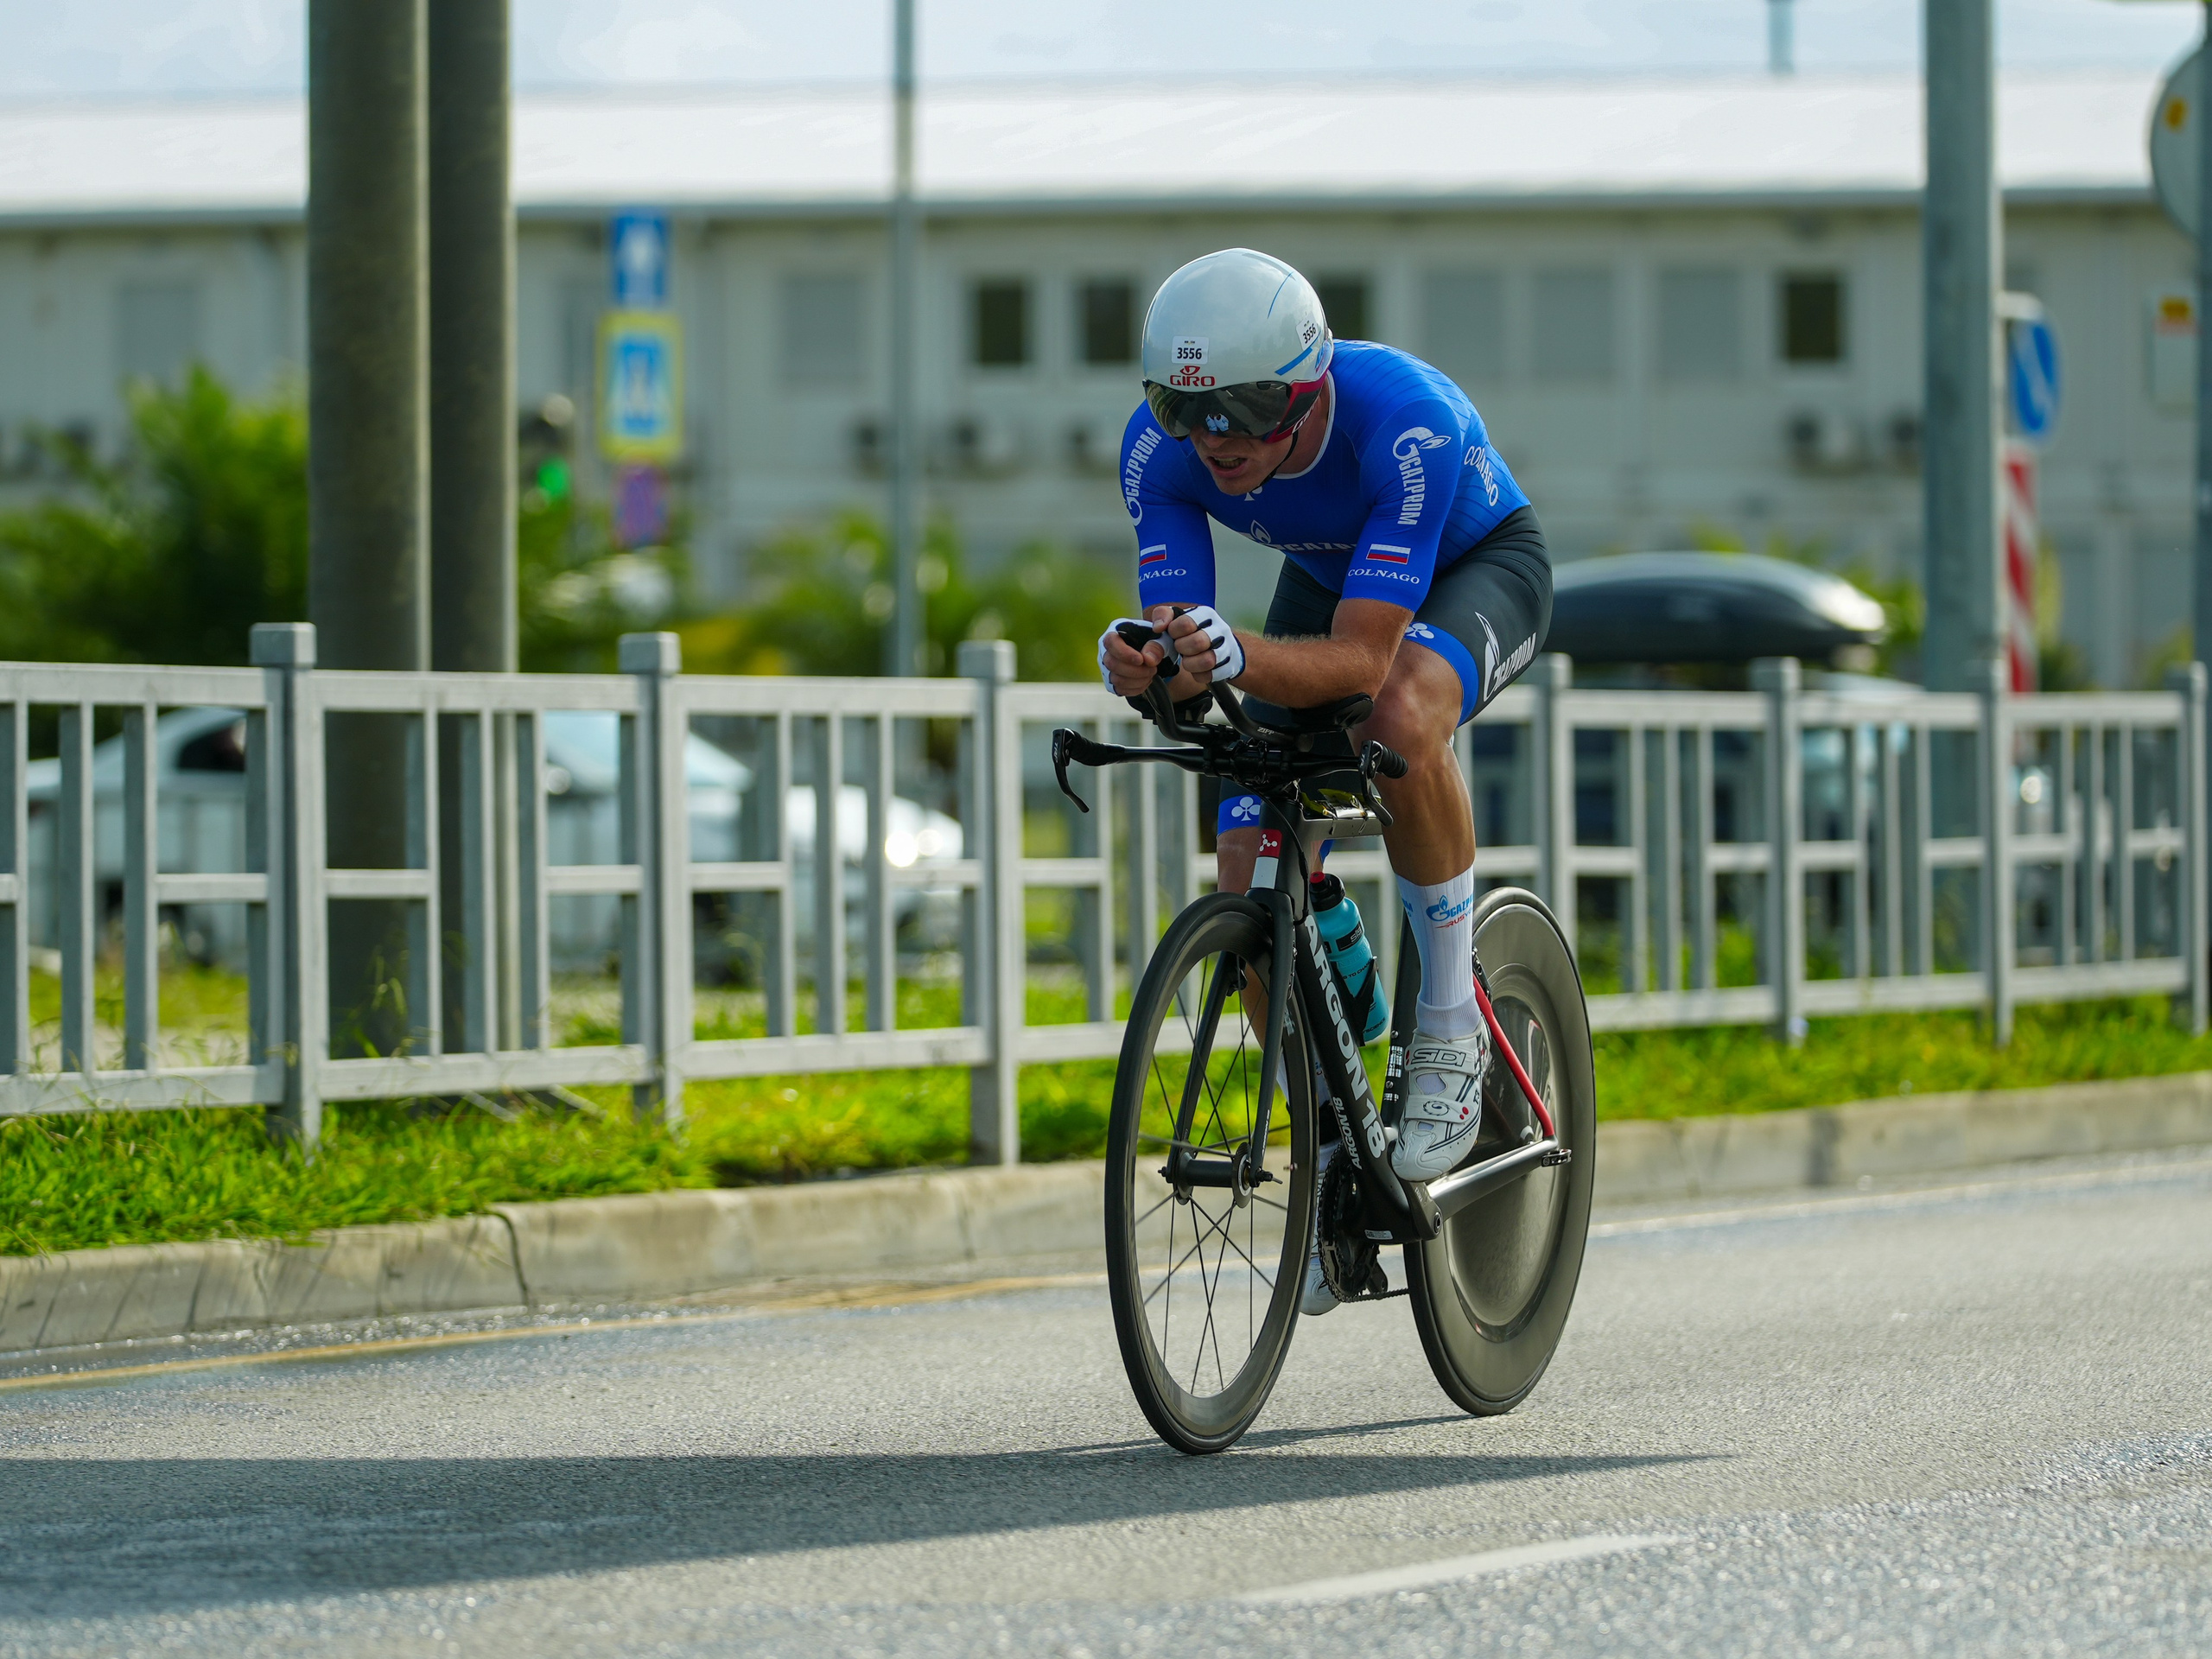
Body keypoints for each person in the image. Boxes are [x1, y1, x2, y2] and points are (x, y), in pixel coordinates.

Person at [1096, 248, 1552, 1312]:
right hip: (1332, 579)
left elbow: (1360, 665)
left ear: (1308, 392)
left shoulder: (1407, 422)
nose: (1216, 445)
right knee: (1251, 860)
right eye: (1185, 411)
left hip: (1476, 566)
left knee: (1397, 721)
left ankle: (1446, 1021)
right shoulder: (1157, 454)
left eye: (1250, 413)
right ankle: (1340, 1136)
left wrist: (1232, 653)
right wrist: (1151, 668)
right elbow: (1184, 652)